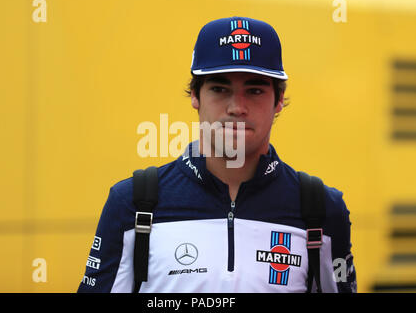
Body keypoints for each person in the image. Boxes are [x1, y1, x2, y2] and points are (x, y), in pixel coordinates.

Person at [77, 16, 356, 293]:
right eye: (220, 89)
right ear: (195, 97)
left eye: (255, 90)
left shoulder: (321, 209)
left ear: (279, 100)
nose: (237, 107)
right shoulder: (133, 203)